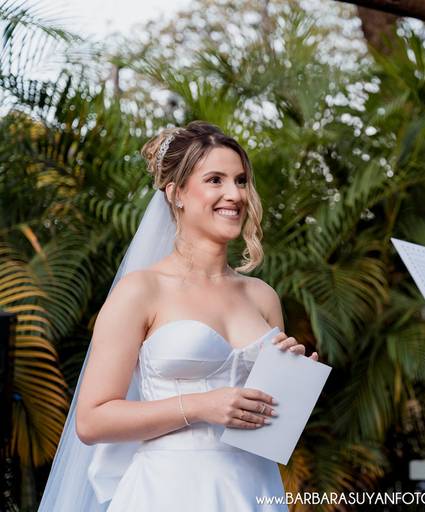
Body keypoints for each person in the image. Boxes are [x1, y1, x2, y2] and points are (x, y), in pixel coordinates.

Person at [38, 121, 317, 511]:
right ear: (176, 194)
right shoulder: (141, 291)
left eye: (240, 181)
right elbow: (92, 420)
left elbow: (266, 427)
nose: (235, 194)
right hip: (168, 491)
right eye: (215, 180)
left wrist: (292, 383)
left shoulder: (262, 296)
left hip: (254, 489)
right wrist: (201, 406)